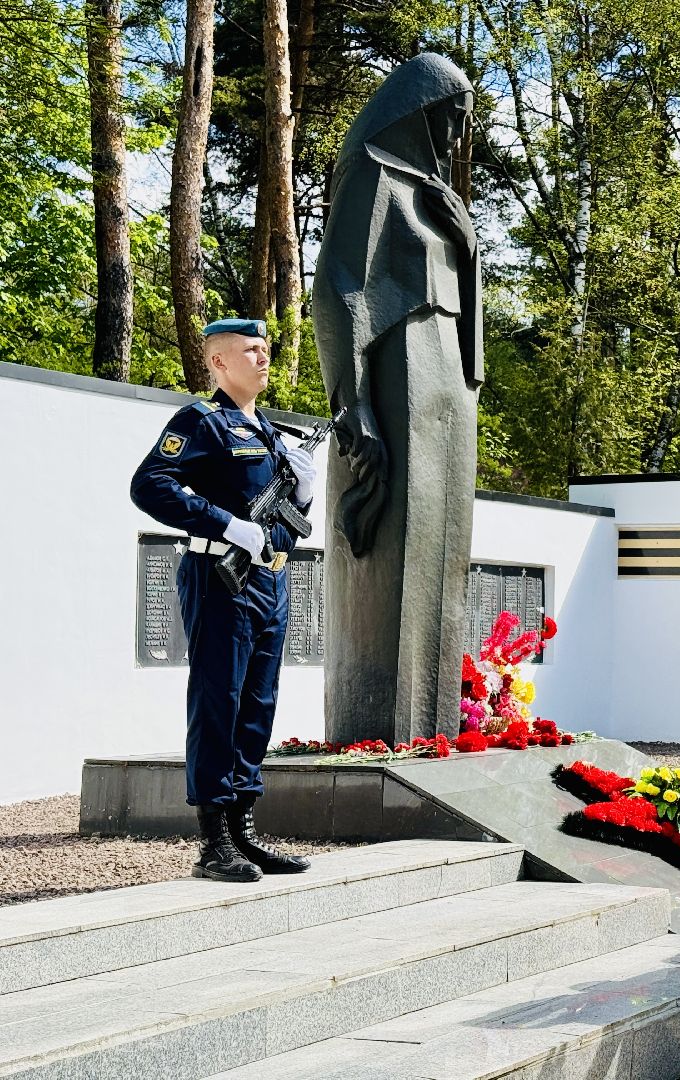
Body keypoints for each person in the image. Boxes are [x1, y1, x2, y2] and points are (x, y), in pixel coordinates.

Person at [312, 53, 483, 747]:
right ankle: (385, 727)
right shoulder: (374, 172)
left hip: (449, 374)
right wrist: (351, 396)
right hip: (399, 362)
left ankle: (434, 729)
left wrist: (467, 243)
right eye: (453, 120)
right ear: (422, 112)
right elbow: (341, 286)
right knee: (404, 534)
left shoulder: (440, 194)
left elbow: (465, 299)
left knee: (446, 543)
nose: (457, 138)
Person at [130, 318, 314, 883]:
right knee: (220, 701)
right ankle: (213, 843)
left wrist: (302, 491)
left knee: (257, 706)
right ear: (218, 363)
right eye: (251, 351)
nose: (264, 359)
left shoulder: (270, 433)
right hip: (219, 577)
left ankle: (244, 832)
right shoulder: (200, 421)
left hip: (271, 582)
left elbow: (286, 521)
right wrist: (228, 524)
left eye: (265, 350)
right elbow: (149, 485)